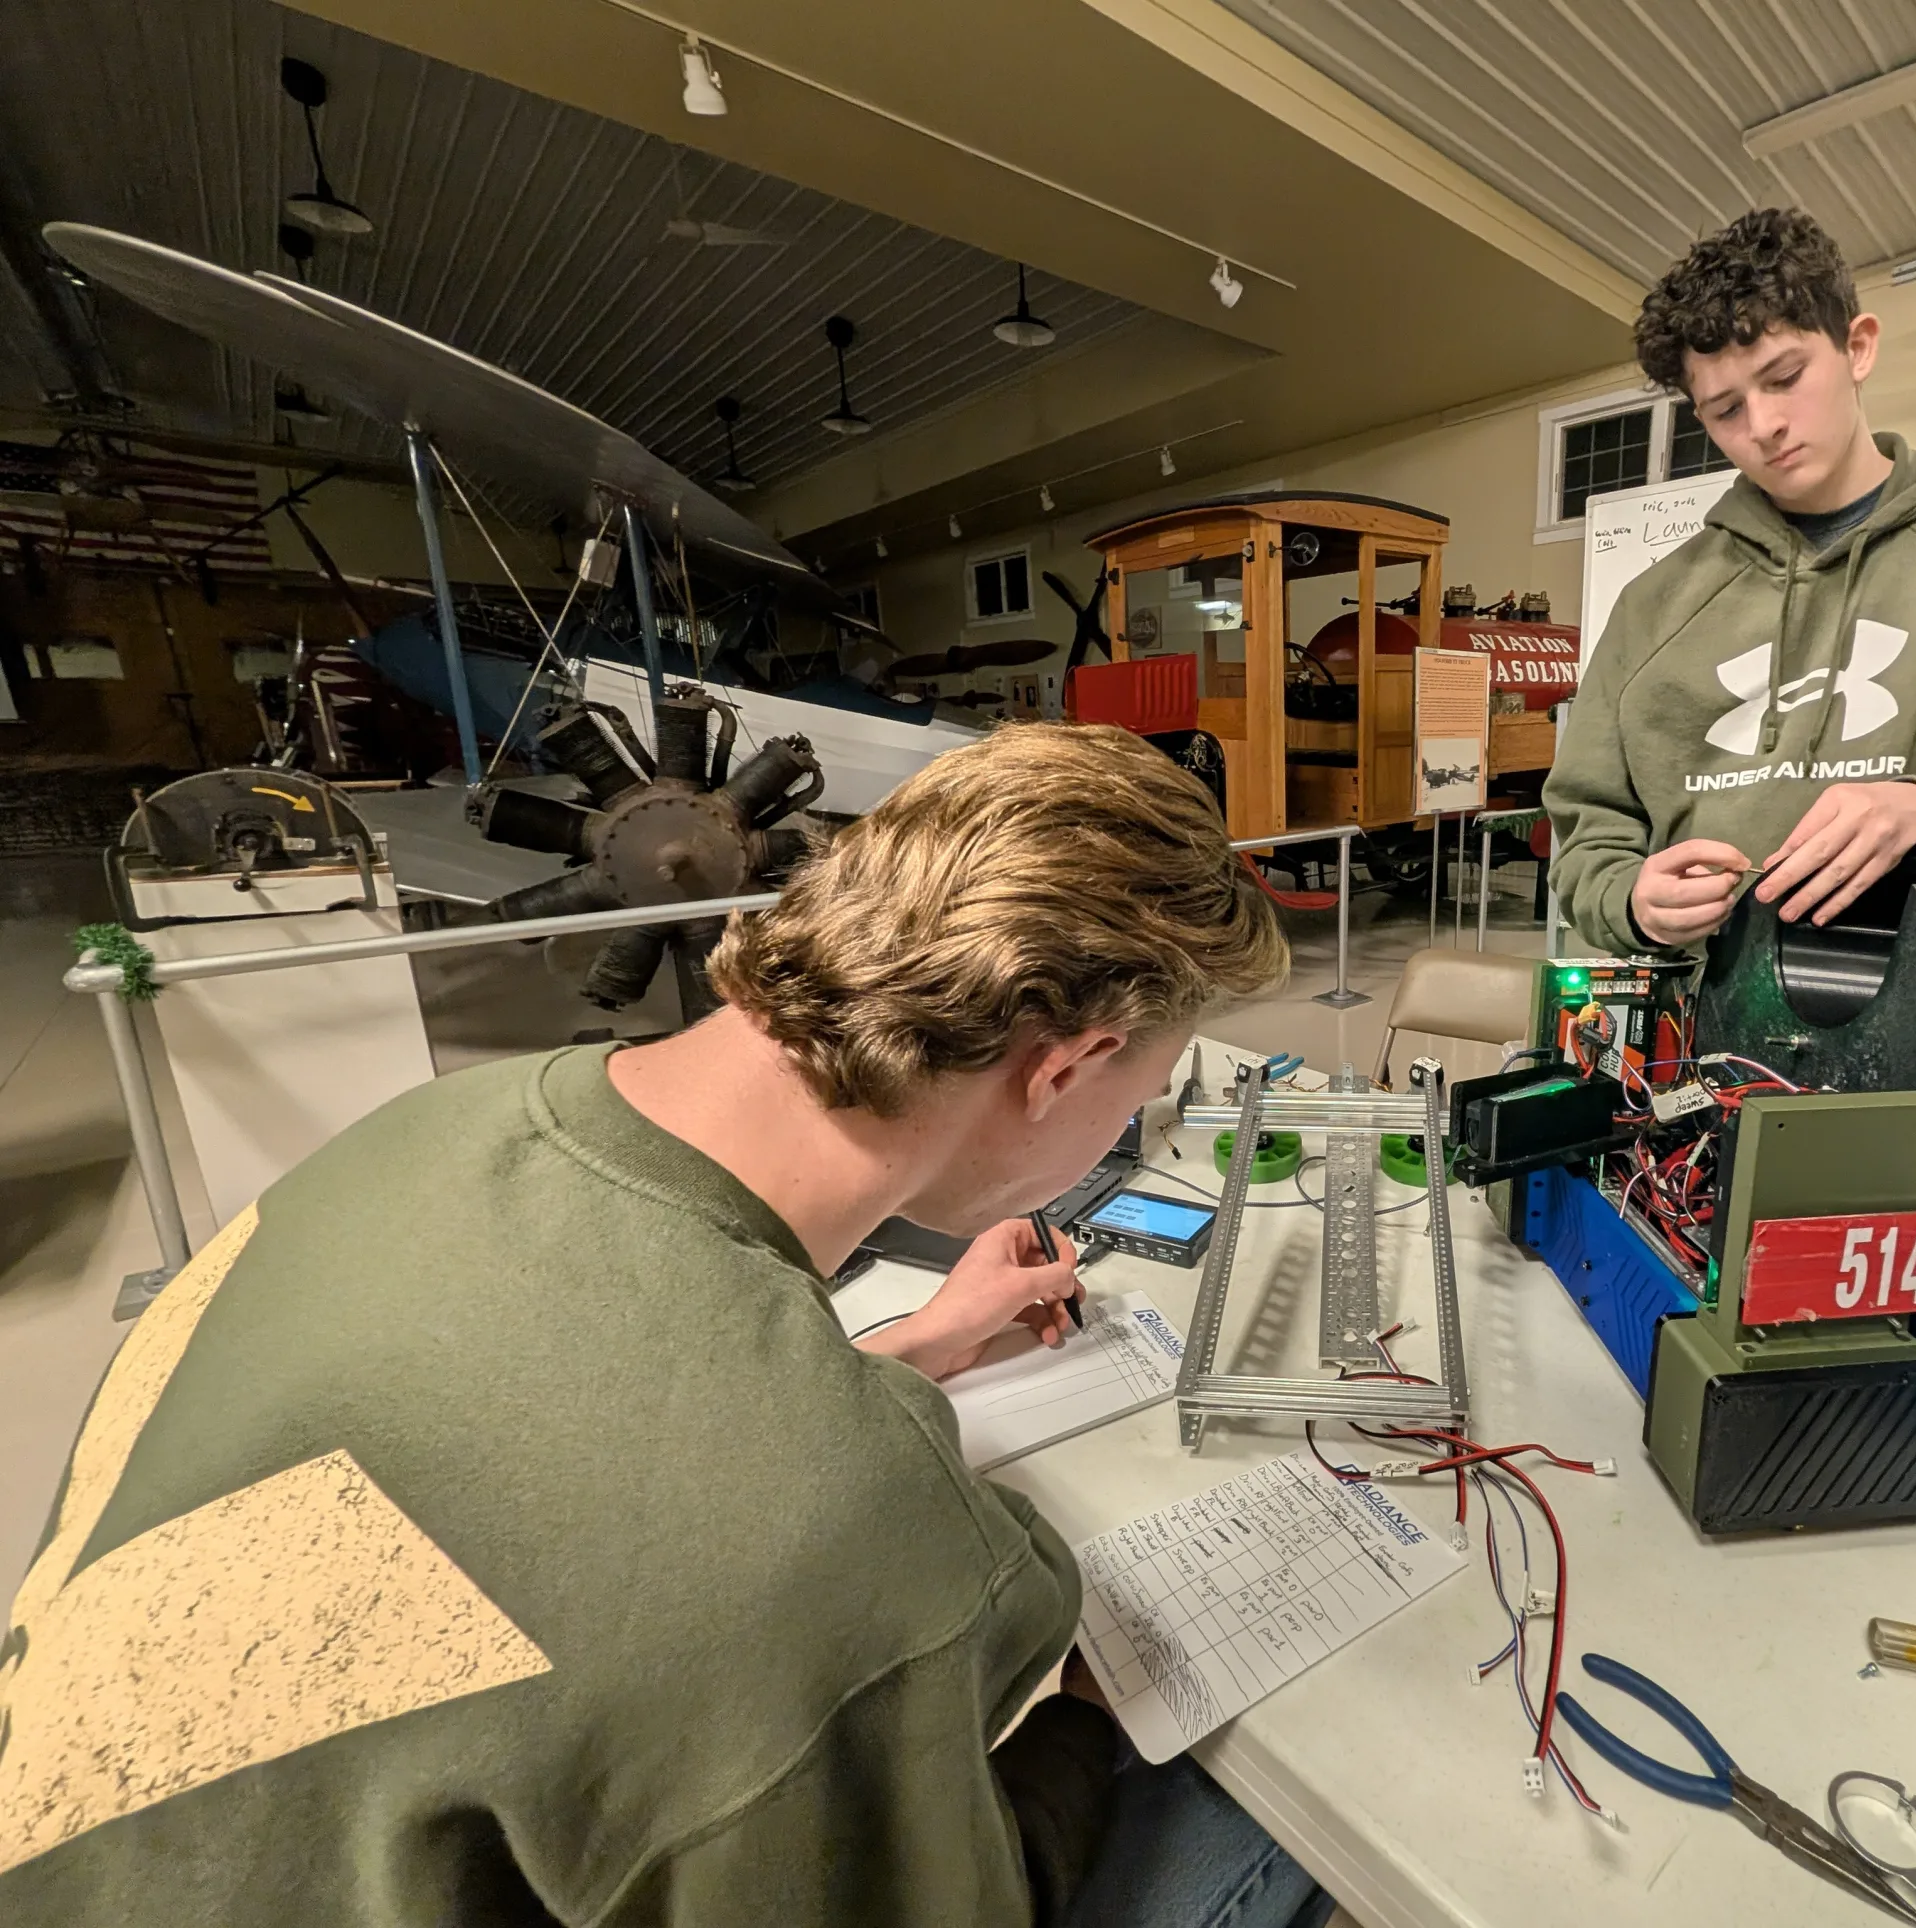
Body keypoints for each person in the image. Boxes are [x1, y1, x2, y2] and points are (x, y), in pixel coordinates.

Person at [0, 725, 1332, 1928]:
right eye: (1146, 1091)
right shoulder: (829, 1528)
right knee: (1262, 1812)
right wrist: (1094, 1724)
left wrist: (921, 1342)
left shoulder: (440, 1127)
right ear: (1070, 1067)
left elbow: (540, 1446)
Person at [1547, 207, 1916, 952]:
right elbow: (1590, 843)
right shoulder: (1652, 607)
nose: (1764, 424)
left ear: (1857, 347)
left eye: (1785, 378)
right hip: (1707, 1023)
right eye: (1725, 410)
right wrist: (1632, 902)